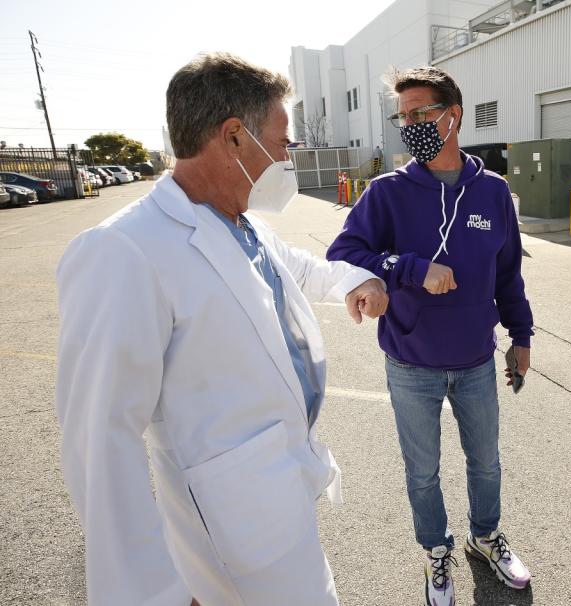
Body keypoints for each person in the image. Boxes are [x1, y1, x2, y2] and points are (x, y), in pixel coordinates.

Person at [55, 53, 388, 606]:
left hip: (277, 494)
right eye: (283, 143)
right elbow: (99, 440)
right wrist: (152, 592)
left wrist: (354, 281)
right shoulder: (124, 250)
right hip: (231, 530)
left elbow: (299, 271)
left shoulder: (239, 222)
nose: (288, 157)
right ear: (235, 137)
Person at [326, 66, 533, 606]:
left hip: (475, 361)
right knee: (422, 472)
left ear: (453, 115)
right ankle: (435, 551)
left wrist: (522, 336)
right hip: (411, 362)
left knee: (486, 462)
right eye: (404, 117)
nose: (411, 124)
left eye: (421, 113)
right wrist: (412, 268)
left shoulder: (493, 193)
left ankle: (484, 536)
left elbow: (509, 273)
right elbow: (344, 252)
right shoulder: (386, 193)